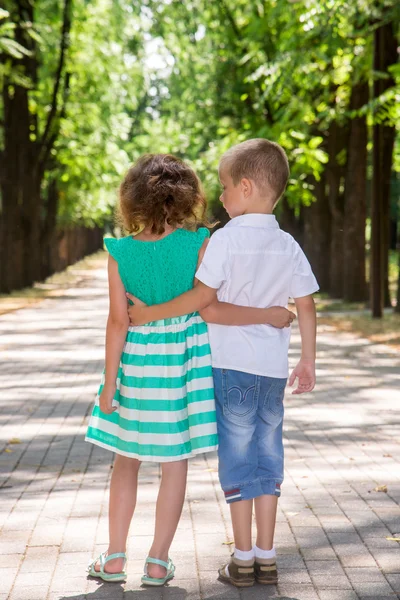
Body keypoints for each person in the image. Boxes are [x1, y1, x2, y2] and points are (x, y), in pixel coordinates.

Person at [85, 153, 296, 585]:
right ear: (187, 197)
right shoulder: (199, 242)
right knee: (174, 463)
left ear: (132, 199)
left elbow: (117, 322)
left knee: (126, 461)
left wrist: (110, 383)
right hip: (182, 368)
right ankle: (159, 560)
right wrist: (266, 314)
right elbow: (209, 306)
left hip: (137, 367)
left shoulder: (119, 252)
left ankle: (114, 556)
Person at [127, 139, 319, 588]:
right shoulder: (287, 243)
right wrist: (307, 360)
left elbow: (205, 305)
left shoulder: (224, 240)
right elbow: (306, 305)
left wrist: (150, 314)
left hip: (231, 366)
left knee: (237, 459)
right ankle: (268, 556)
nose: (222, 197)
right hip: (273, 371)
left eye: (226, 187)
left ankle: (243, 557)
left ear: (247, 188)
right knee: (268, 458)